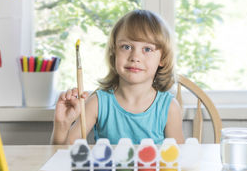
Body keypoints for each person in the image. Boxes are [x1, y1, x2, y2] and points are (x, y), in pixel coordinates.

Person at [51, 9, 184, 145]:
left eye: (147, 49)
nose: (135, 57)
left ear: (163, 58)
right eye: (126, 47)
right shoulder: (97, 103)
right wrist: (62, 125)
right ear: (114, 53)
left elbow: (180, 159)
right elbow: (62, 158)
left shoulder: (169, 108)